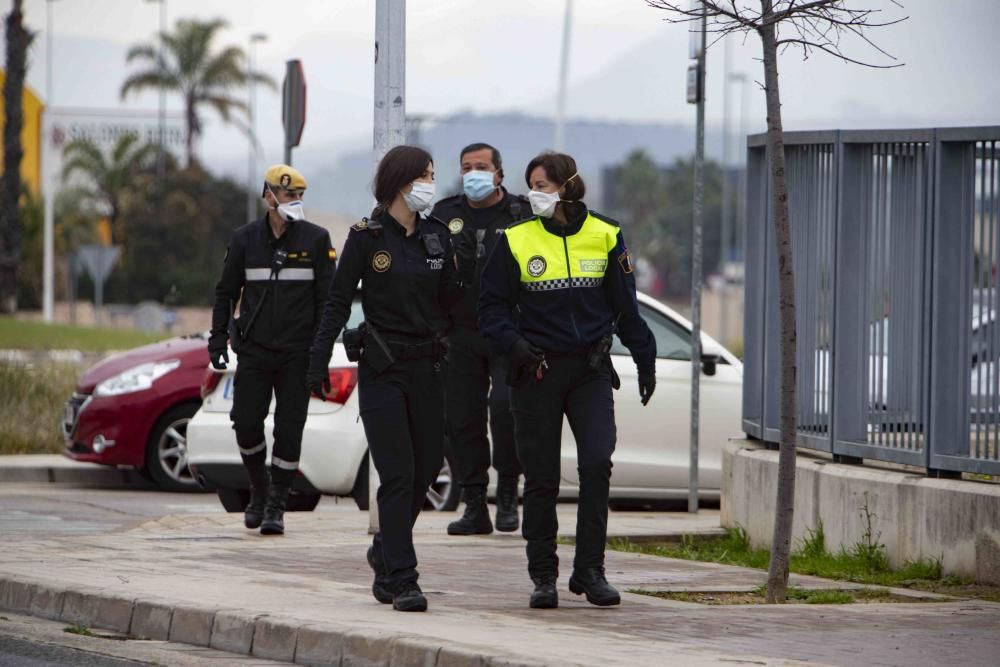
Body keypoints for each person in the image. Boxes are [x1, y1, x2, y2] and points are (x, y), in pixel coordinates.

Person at [479, 151, 657, 610]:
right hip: (536, 370)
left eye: (542, 185)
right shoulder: (515, 239)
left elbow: (627, 308)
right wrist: (514, 346)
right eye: (531, 185)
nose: (534, 193)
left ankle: (590, 571)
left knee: (597, 464)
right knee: (540, 480)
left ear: (567, 185)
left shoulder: (605, 233)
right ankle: (543, 576)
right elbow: (491, 310)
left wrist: (645, 358)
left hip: (590, 370)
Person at [307, 145, 460, 613]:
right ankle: (403, 577)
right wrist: (318, 359)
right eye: (426, 176)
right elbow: (336, 302)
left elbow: (454, 308)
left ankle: (385, 550)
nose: (432, 184)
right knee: (396, 473)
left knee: (427, 467)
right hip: (383, 370)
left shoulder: (438, 237)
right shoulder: (366, 237)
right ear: (401, 181)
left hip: (429, 370)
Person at [208, 164, 336, 536]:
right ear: (269, 197)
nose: (295, 201)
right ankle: (258, 489)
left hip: (298, 353)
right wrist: (217, 338)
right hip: (255, 351)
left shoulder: (316, 239)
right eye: (288, 195)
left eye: (299, 195)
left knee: (289, 429)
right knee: (246, 424)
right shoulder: (246, 239)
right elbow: (225, 292)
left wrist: (320, 356)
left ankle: (276, 504)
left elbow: (328, 302)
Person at [431, 143, 528, 536]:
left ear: (499, 174)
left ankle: (507, 491)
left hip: (508, 331)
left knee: (505, 411)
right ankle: (475, 504)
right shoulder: (445, 214)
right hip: (461, 333)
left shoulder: (521, 213)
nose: (474, 173)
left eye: (482, 167)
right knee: (462, 420)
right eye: (467, 167)